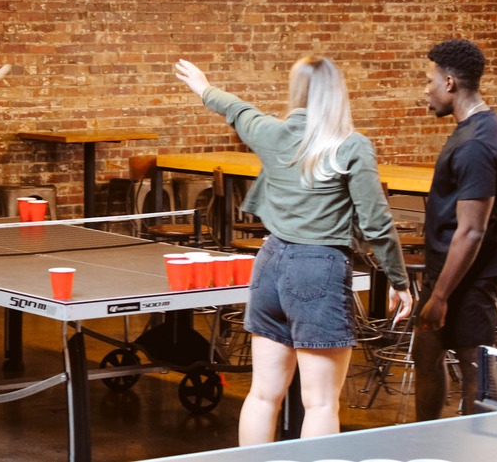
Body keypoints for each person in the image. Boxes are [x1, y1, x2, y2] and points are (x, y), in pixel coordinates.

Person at [175, 56, 412, 444]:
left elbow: (236, 108)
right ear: (338, 94)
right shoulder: (351, 146)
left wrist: (203, 86)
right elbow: (376, 221)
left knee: (264, 395)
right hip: (319, 268)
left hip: (270, 263)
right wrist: (399, 281)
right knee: (320, 404)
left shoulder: (272, 133)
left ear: (296, 91)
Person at [414, 39, 497, 420]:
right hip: (447, 269)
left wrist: (440, 296)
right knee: (426, 354)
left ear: (451, 83)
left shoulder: (477, 142)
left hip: (469, 274)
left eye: (430, 81)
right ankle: (425, 442)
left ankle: (474, 450)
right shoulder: (475, 129)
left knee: (475, 369)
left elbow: (472, 231)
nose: (427, 89)